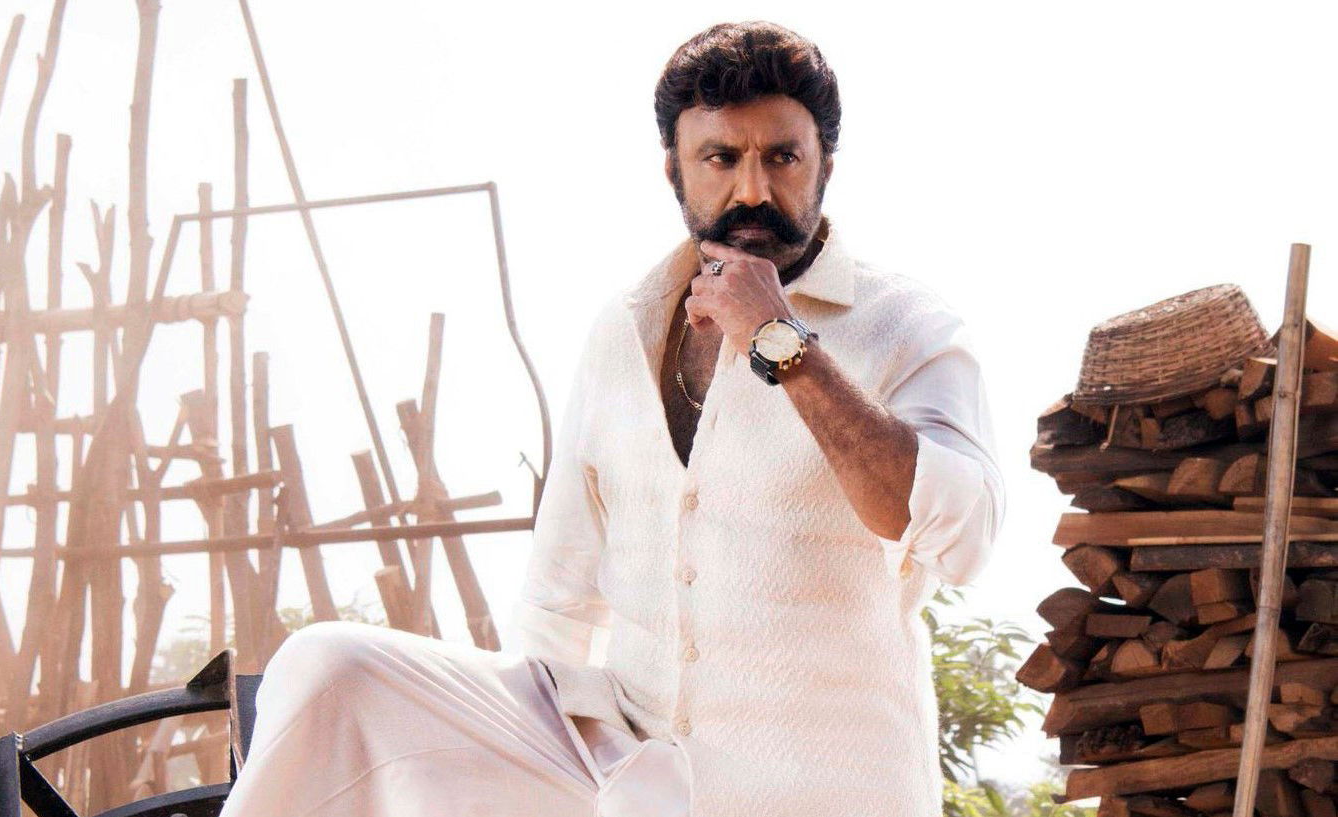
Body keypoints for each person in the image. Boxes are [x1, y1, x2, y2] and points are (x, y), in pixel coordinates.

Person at [216, 19, 1004, 817]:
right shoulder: (625, 326)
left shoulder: (907, 325)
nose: (752, 191)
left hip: (816, 790)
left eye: (782, 158)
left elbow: (963, 536)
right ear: (674, 168)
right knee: (330, 666)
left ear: (824, 162)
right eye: (721, 159)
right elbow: (561, 591)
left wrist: (782, 341)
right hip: (630, 768)